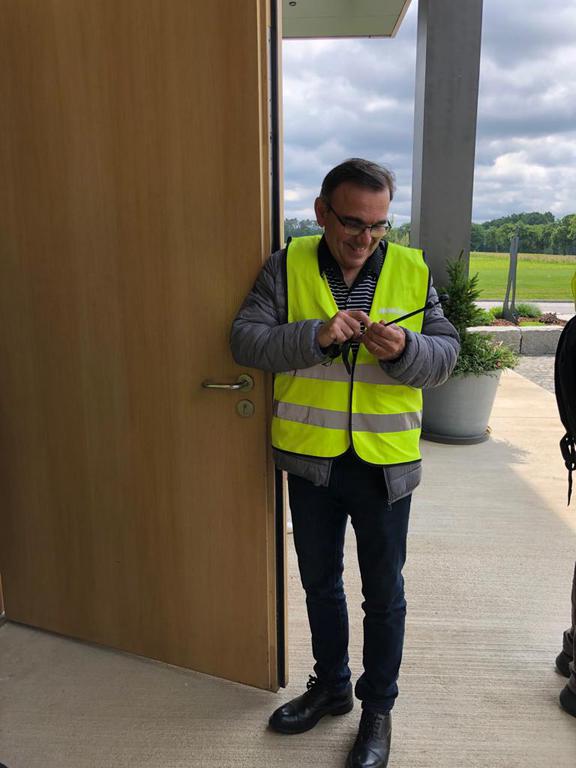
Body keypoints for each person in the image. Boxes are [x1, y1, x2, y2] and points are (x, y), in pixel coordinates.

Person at [230, 158, 460, 768]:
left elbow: (446, 355)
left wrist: (407, 349)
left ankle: (377, 708)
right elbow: (245, 339)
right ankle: (331, 686)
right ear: (321, 213)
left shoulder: (413, 269)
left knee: (384, 594)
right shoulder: (285, 266)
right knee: (320, 583)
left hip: (385, 466)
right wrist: (316, 336)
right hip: (312, 461)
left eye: (379, 225)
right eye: (354, 223)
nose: (366, 239)